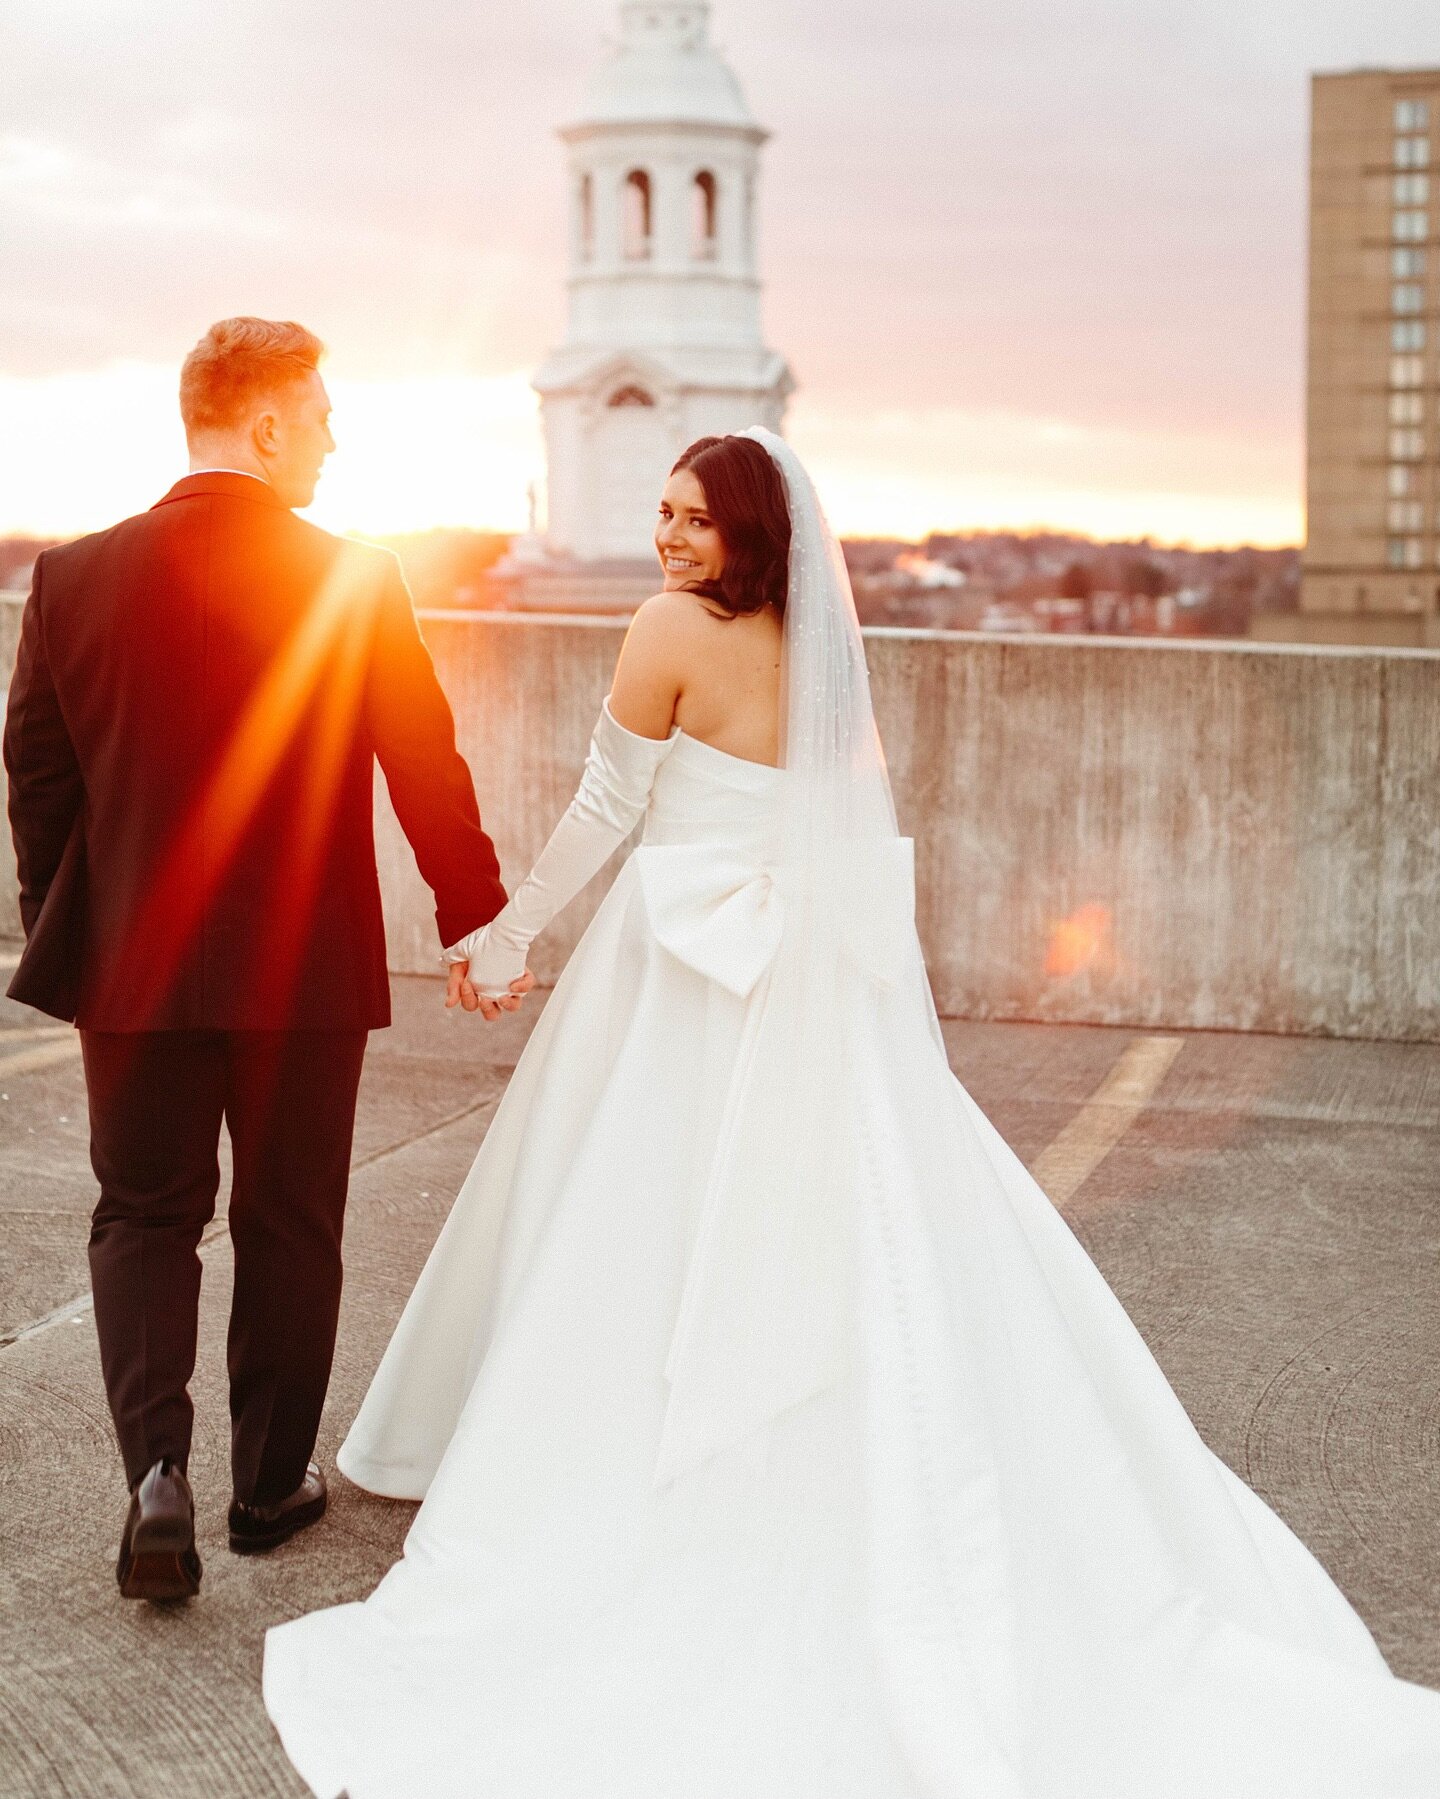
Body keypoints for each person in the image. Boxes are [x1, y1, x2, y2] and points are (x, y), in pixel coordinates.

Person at [263, 431, 1440, 1797]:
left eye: (694, 521)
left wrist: (510, 933)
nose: (668, 542)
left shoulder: (666, 633)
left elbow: (604, 805)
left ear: (748, 531)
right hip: (800, 971)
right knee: (845, 1220)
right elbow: (825, 812)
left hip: (682, 970)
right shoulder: (822, 651)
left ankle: (611, 1465)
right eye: (660, 517)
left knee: (628, 1210)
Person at [2, 316, 528, 1604]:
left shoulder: (71, 579)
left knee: (142, 1215)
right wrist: (477, 917)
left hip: (131, 963)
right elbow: (425, 764)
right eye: (325, 413)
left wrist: (73, 925)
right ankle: (262, 1487)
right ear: (269, 422)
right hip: (302, 966)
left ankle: (153, 1481)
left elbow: (38, 775)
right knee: (290, 1216)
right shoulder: (353, 578)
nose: (338, 437)